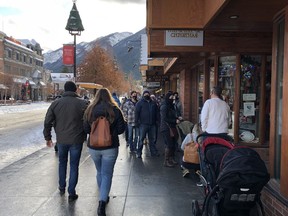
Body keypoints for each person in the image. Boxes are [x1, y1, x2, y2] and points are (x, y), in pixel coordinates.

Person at [43, 81, 88, 202]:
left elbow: (47, 121)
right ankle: (71, 192)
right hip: (77, 139)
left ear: (65, 90)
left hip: (61, 139)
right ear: (75, 90)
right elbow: (88, 121)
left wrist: (48, 137)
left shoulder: (55, 104)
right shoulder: (83, 103)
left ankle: (62, 186)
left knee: (62, 163)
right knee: (74, 166)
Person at [83, 88, 125, 216]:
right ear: (109, 96)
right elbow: (121, 129)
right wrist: (109, 132)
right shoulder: (115, 110)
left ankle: (103, 194)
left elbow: (85, 128)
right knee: (107, 174)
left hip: (94, 146)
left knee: (100, 172)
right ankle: (102, 202)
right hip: (110, 147)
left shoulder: (89, 110)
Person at [135, 90, 160, 158]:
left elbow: (157, 113)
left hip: (152, 124)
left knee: (153, 139)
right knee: (141, 139)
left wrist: (158, 121)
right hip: (143, 124)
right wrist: (136, 122)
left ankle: (153, 152)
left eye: (147, 94)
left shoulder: (153, 103)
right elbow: (136, 113)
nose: (146, 95)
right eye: (145, 94)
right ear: (143, 95)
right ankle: (139, 152)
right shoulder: (139, 103)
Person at [160, 92, 181, 167]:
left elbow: (172, 115)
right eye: (171, 97)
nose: (172, 99)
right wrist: (174, 121)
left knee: (172, 144)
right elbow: (164, 118)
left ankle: (171, 158)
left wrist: (176, 118)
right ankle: (166, 161)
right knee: (169, 144)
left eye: (173, 97)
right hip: (166, 127)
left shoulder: (171, 106)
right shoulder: (164, 107)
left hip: (171, 127)